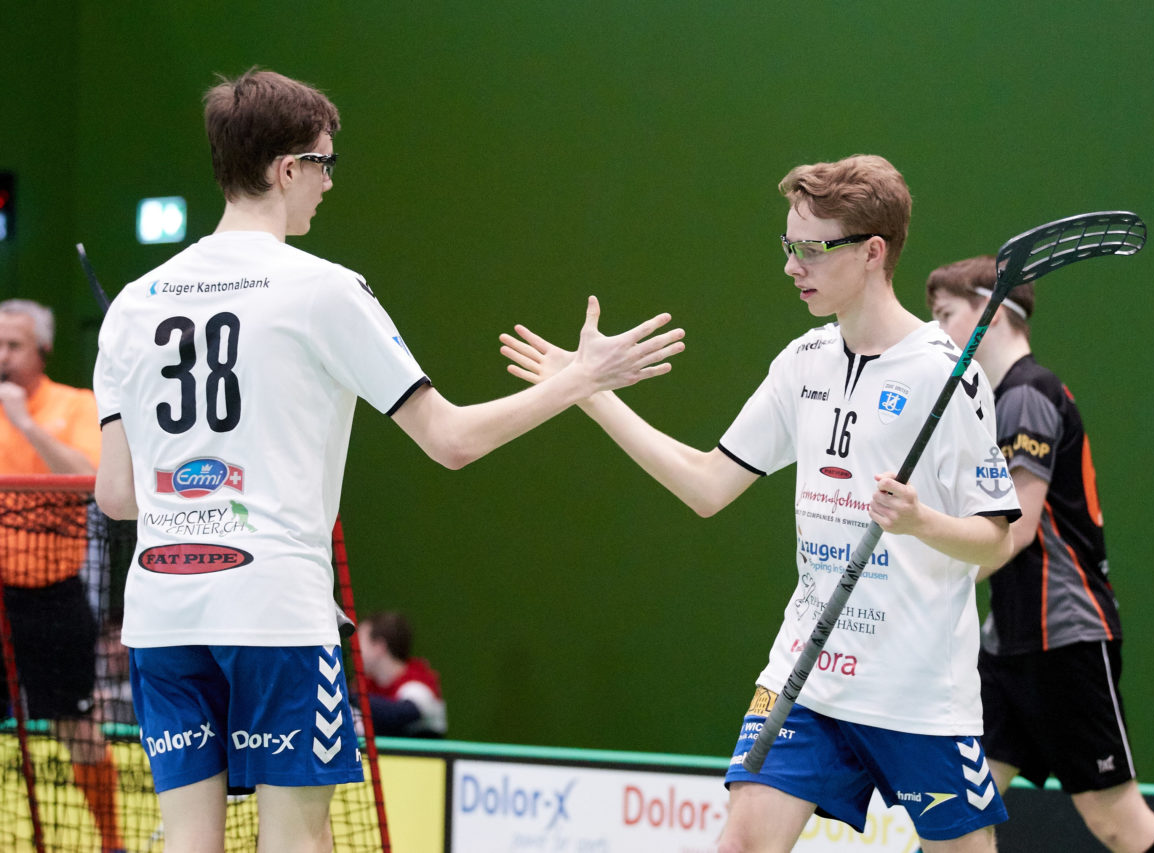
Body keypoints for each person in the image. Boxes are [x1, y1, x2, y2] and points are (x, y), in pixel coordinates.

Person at [92, 67, 684, 853]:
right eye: (325, 164)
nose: (329, 185)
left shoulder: (134, 303)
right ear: (285, 168)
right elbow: (451, 439)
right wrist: (580, 378)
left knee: (186, 841)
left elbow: (117, 494)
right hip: (275, 611)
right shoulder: (325, 290)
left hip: (162, 613)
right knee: (299, 842)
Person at [501, 154, 1021, 853]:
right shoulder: (802, 362)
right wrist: (589, 394)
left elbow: (996, 542)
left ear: (872, 252)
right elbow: (708, 484)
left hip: (917, 692)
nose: (791, 266)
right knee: (742, 844)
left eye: (811, 249)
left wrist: (920, 520)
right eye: (789, 246)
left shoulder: (944, 377)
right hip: (804, 675)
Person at [926, 256, 1154, 853]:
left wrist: (929, 584)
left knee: (1115, 820)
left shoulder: (1028, 394)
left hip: (1065, 637)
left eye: (945, 315)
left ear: (990, 315)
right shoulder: (995, 402)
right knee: (957, 813)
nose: (935, 331)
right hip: (1007, 643)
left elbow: (1016, 528)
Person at [0, 298, 124, 853]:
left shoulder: (76, 405)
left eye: (14, 346)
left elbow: (93, 477)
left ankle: (111, 842)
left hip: (54, 598)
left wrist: (23, 422)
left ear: (41, 350)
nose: (2, 356)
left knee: (79, 731)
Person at [357, 611, 446, 738]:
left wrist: (350, 697)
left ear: (379, 646)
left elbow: (403, 714)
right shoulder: (364, 685)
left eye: (359, 641)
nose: (354, 649)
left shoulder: (420, 681)